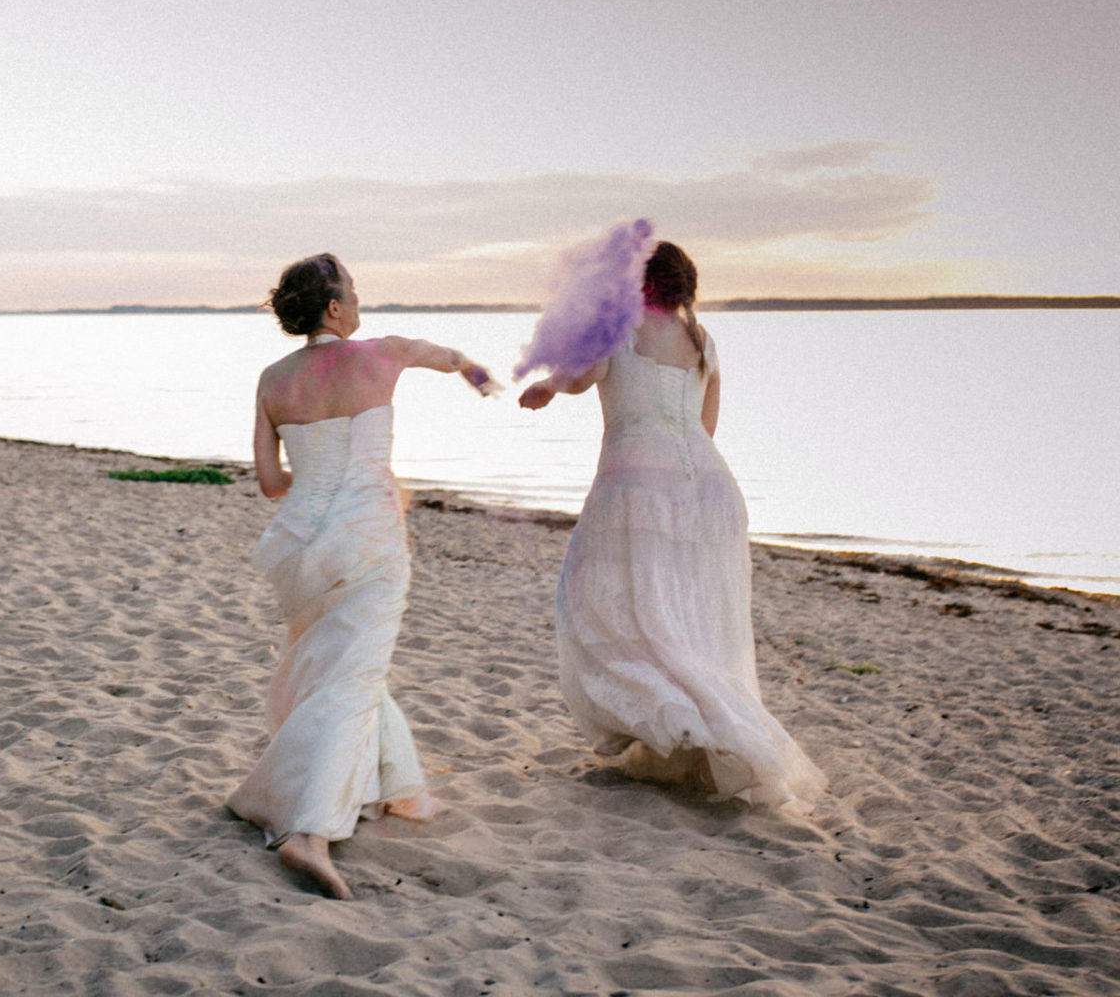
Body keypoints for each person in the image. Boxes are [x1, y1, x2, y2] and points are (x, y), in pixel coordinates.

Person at [518, 242, 825, 811]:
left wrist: (546, 388)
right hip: (710, 491)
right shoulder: (703, 341)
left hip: (636, 488)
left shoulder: (617, 328)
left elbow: (581, 376)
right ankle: (691, 732)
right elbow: (706, 426)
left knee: (601, 598)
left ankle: (677, 722)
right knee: (689, 617)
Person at [226, 252, 490, 898]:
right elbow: (445, 357)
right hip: (367, 539)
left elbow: (270, 483)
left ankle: (396, 786)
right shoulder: (383, 353)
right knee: (353, 676)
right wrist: (474, 371)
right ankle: (309, 833)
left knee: (343, 663)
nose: (360, 300)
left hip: (298, 547)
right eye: (354, 290)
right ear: (335, 307)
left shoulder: (271, 379)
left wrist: (318, 475)